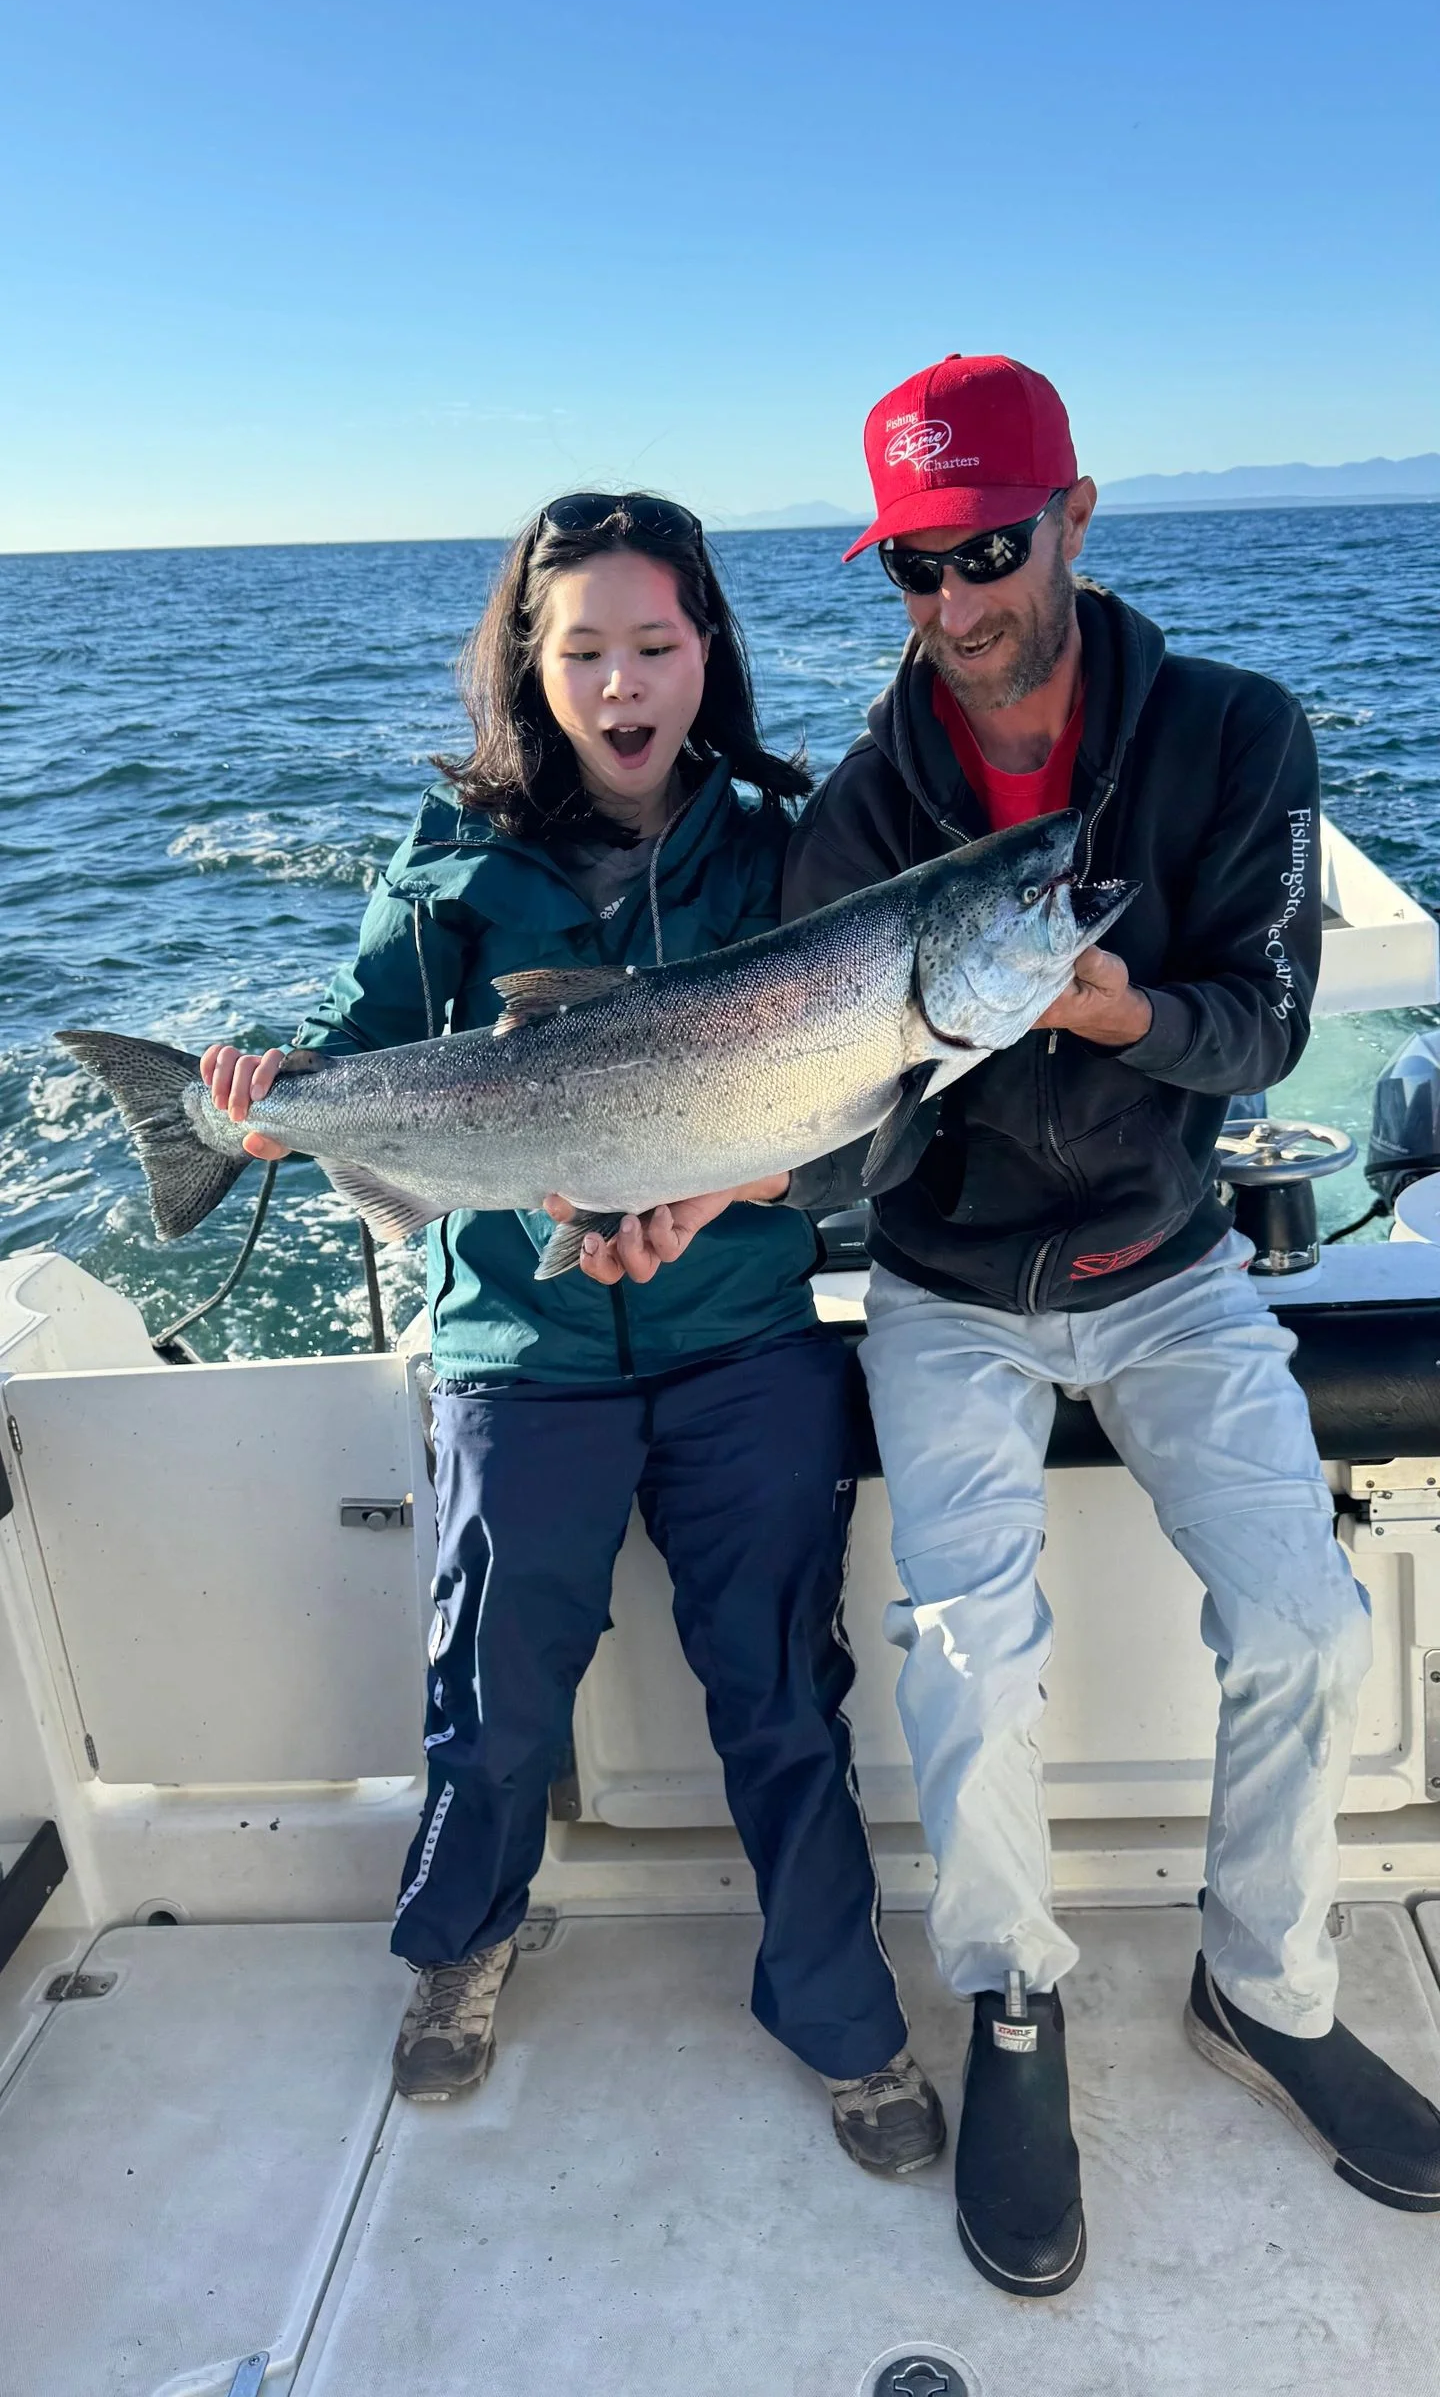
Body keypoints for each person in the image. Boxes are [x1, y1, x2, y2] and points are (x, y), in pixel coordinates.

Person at [563, 368, 1440, 2294]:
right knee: (967, 1659)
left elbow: (1269, 1025)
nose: (957, 601)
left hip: (1172, 1261)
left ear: (1077, 518)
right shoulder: (865, 808)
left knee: (1304, 1619)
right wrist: (702, 1184)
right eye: (916, 565)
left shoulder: (1233, 734)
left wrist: (1119, 1015)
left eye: (990, 547)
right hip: (949, 1293)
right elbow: (828, 1110)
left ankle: (1268, 1987)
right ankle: (1016, 2001)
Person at [198, 491, 943, 2177]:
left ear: (708, 654)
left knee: (778, 1691)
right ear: (531, 668)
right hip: (519, 1352)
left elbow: (873, 1113)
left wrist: (729, 1198)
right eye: (584, 648)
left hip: (744, 1338)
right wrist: (256, 1103)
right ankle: (462, 1943)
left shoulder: (784, 844)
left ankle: (841, 2015)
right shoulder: (451, 852)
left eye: (656, 646)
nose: (623, 683)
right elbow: (359, 1043)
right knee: (495, 1688)